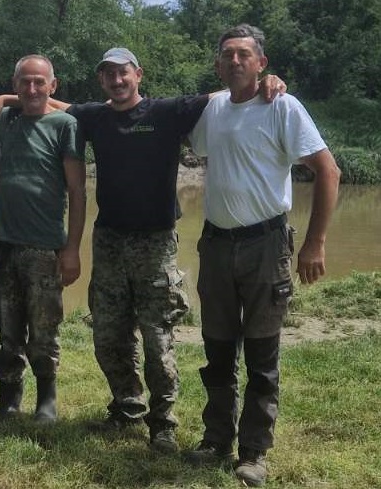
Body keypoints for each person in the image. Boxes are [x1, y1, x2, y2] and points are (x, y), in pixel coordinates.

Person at [0, 48, 285, 451]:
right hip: (108, 239)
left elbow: (223, 93)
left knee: (157, 339)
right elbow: (46, 101)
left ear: (138, 74)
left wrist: (265, 82)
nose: (117, 80)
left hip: (155, 242)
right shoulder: (95, 116)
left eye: (123, 73)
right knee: (108, 335)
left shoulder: (168, 112)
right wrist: (4, 99)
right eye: (108, 75)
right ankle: (127, 407)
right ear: (102, 80)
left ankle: (163, 423)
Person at [185, 24, 340, 487]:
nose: (235, 60)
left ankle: (253, 451)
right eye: (227, 55)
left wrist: (315, 242)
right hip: (216, 244)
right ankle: (216, 439)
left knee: (261, 352)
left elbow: (328, 171)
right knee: (216, 349)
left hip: (266, 244)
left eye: (244, 54)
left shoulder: (282, 106)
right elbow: (195, 128)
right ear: (218, 64)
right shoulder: (211, 110)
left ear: (262, 62)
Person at [0, 55, 86, 424]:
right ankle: (9, 396)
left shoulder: (65, 125)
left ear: (52, 85)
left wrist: (72, 249)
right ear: (15, 85)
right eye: (24, 82)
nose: (32, 89)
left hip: (45, 246)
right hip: (5, 243)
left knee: (45, 327)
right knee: (7, 327)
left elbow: (77, 191)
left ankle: (47, 396)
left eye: (39, 82)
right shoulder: (6, 120)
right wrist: (1, 100)